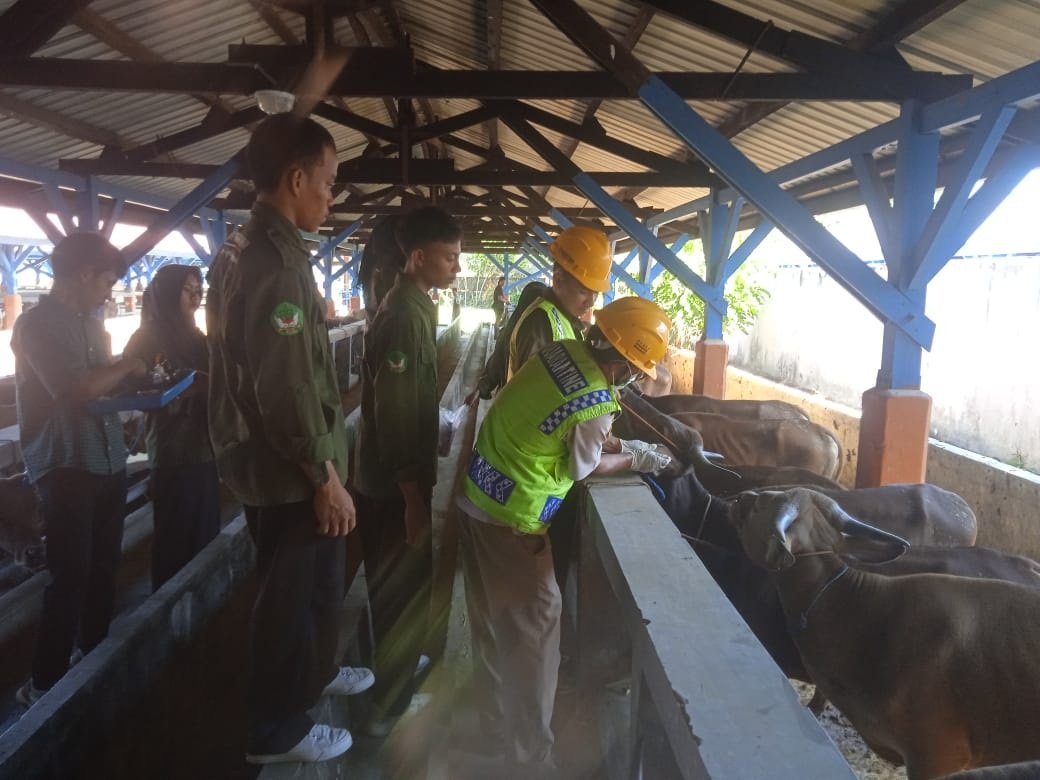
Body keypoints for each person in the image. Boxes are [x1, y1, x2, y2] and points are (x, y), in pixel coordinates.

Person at [206, 113, 373, 766]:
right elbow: (284, 385)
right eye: (327, 183)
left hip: (279, 457)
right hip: (287, 467)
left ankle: (314, 673)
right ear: (297, 179)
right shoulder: (273, 264)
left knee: (317, 579)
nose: (331, 198)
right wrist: (323, 475)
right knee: (287, 593)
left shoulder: (252, 249)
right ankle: (273, 729)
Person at [456, 297, 673, 776]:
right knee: (536, 642)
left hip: (477, 497)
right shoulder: (597, 402)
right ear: (622, 364)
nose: (633, 378)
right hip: (514, 523)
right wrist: (637, 458)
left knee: (491, 625)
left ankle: (494, 729)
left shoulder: (561, 352)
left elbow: (561, 422)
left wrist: (618, 441)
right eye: (635, 370)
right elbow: (583, 468)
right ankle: (530, 762)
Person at [12, 232, 147, 707]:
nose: (109, 292)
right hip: (66, 464)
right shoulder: (36, 325)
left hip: (107, 458)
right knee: (70, 574)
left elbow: (100, 385)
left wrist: (132, 389)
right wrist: (127, 366)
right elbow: (74, 391)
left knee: (104, 566)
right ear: (85, 274)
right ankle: (44, 684)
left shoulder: (92, 323)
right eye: (107, 281)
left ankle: (92, 657)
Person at [354, 206, 462, 735]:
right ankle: (386, 709)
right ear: (418, 258)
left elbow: (412, 400)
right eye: (449, 257)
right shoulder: (402, 315)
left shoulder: (417, 306)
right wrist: (413, 500)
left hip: (399, 481)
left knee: (405, 586)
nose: (457, 267)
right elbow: (395, 414)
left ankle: (395, 677)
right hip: (393, 488)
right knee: (397, 591)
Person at [123, 264, 219, 591]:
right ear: (167, 293)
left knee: (204, 533)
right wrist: (185, 387)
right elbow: (133, 393)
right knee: (174, 537)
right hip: (173, 449)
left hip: (205, 445)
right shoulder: (146, 338)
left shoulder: (196, 334)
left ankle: (200, 605)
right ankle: (167, 607)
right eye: (187, 289)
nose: (196, 296)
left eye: (198, 290)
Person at [466, 226, 613, 405]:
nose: (591, 302)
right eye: (584, 291)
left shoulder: (567, 320)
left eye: (595, 293)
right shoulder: (541, 324)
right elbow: (532, 399)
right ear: (558, 281)